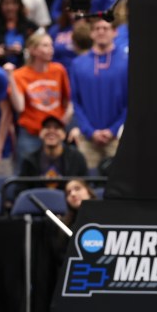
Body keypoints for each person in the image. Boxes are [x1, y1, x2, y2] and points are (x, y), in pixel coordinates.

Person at [68, 18, 128, 171]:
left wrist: (113, 130)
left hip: (118, 137)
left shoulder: (127, 62)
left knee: (119, 184)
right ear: (91, 33)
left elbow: (131, 102)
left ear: (115, 32)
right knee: (86, 184)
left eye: (106, 28)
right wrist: (90, 131)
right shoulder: (78, 64)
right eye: (97, 28)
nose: (101, 31)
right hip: (88, 139)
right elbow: (75, 102)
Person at [9, 33, 72, 162]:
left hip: (55, 132)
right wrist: (10, 77)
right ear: (33, 50)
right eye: (45, 45)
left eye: (51, 45)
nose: (51, 49)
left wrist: (66, 118)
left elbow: (68, 100)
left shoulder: (59, 70)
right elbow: (19, 107)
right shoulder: (19, 75)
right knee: (28, 177)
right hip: (31, 135)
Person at [16, 116, 88, 196]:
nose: (51, 131)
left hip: (68, 206)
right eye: (47, 127)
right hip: (37, 205)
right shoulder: (29, 161)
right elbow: (20, 191)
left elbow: (86, 188)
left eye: (57, 128)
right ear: (40, 133)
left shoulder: (76, 158)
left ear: (64, 135)